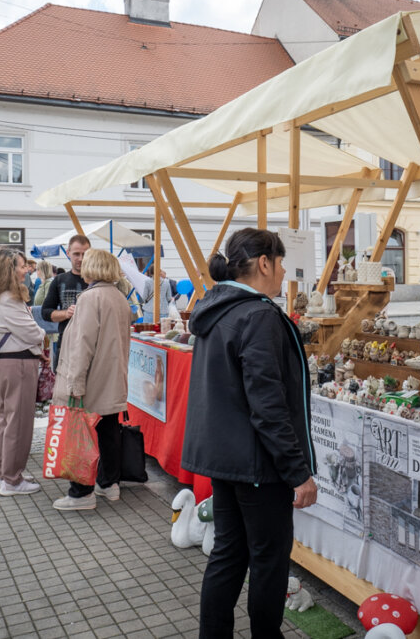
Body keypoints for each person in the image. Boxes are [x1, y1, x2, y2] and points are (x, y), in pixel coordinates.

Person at [182, 228, 317, 638]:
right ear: (264, 263)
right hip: (258, 464)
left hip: (226, 457)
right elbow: (268, 404)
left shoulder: (218, 308)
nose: (282, 275)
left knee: (229, 554)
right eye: (279, 265)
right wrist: (298, 472)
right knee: (267, 562)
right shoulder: (257, 314)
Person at [51, 249, 132, 511]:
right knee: (108, 430)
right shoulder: (119, 297)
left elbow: (82, 345)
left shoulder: (90, 298)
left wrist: (75, 384)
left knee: (81, 436)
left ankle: (81, 493)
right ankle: (109, 484)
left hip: (92, 379)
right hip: (112, 378)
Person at [0, 248, 45, 496]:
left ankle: (5, 473)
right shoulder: (9, 298)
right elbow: (32, 332)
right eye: (21, 265)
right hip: (18, 363)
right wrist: (41, 336)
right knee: (18, 422)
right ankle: (12, 480)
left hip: (3, 363)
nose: (25, 269)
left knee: (6, 420)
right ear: (9, 269)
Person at [41, 235, 90, 367]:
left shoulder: (97, 281)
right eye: (76, 254)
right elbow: (45, 313)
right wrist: (66, 313)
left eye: (84, 254)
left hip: (92, 346)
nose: (80, 258)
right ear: (68, 253)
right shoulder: (59, 280)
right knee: (63, 386)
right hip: (66, 344)